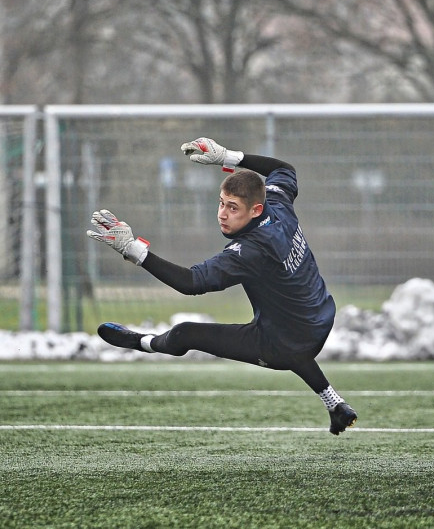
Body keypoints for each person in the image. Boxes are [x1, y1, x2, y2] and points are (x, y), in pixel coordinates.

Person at [87, 136, 357, 435]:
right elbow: (284, 168)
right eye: (221, 203)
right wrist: (228, 156)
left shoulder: (252, 251)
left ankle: (141, 343)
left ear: (255, 210)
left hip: (287, 342)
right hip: (319, 315)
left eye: (233, 208)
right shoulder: (277, 203)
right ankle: (335, 405)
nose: (222, 214)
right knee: (282, 331)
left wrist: (134, 249)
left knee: (185, 333)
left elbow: (190, 283)